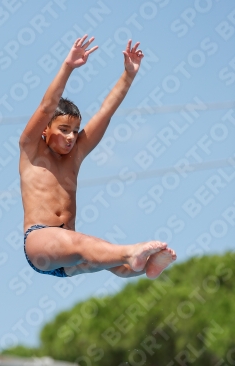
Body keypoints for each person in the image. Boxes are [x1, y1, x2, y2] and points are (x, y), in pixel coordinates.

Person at [19, 36, 176, 279]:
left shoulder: (75, 154)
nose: (71, 137)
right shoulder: (31, 149)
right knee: (88, 245)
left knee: (115, 264)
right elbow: (45, 107)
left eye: (74, 131)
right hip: (40, 240)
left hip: (66, 258)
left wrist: (128, 76)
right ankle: (132, 252)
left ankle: (147, 266)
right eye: (63, 130)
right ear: (45, 130)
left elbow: (105, 112)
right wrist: (68, 67)